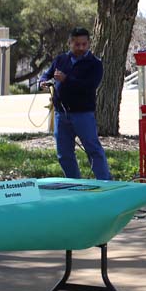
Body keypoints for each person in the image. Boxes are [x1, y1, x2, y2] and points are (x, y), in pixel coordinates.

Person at [41, 27, 112, 181]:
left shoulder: (94, 64)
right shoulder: (60, 60)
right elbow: (47, 73)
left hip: (83, 114)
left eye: (84, 44)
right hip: (61, 114)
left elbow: (89, 86)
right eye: (77, 44)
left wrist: (66, 80)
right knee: (64, 154)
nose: (81, 48)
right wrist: (43, 81)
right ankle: (75, 183)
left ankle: (105, 182)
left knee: (93, 149)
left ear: (88, 44)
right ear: (70, 43)